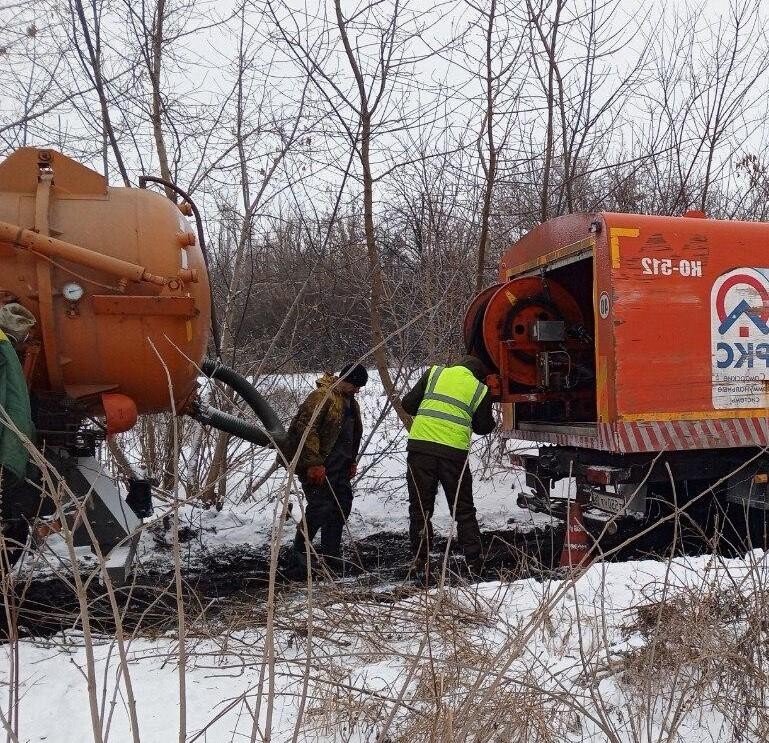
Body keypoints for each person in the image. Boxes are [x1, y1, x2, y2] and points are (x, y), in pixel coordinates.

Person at [402, 355, 496, 578]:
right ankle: (474, 562)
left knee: (420, 509)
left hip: (421, 450)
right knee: (463, 509)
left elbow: (408, 404)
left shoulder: (434, 373)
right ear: (479, 374)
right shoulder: (480, 389)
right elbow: (483, 427)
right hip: (453, 455)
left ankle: (419, 561)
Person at [280, 363, 367, 575]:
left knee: (341, 507)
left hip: (340, 467)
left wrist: (352, 460)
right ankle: (299, 555)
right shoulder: (321, 397)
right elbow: (306, 431)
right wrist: (313, 464)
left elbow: (351, 435)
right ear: (347, 380)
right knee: (320, 508)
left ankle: (331, 556)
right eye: (356, 385)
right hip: (319, 467)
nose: (357, 390)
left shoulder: (350, 402)